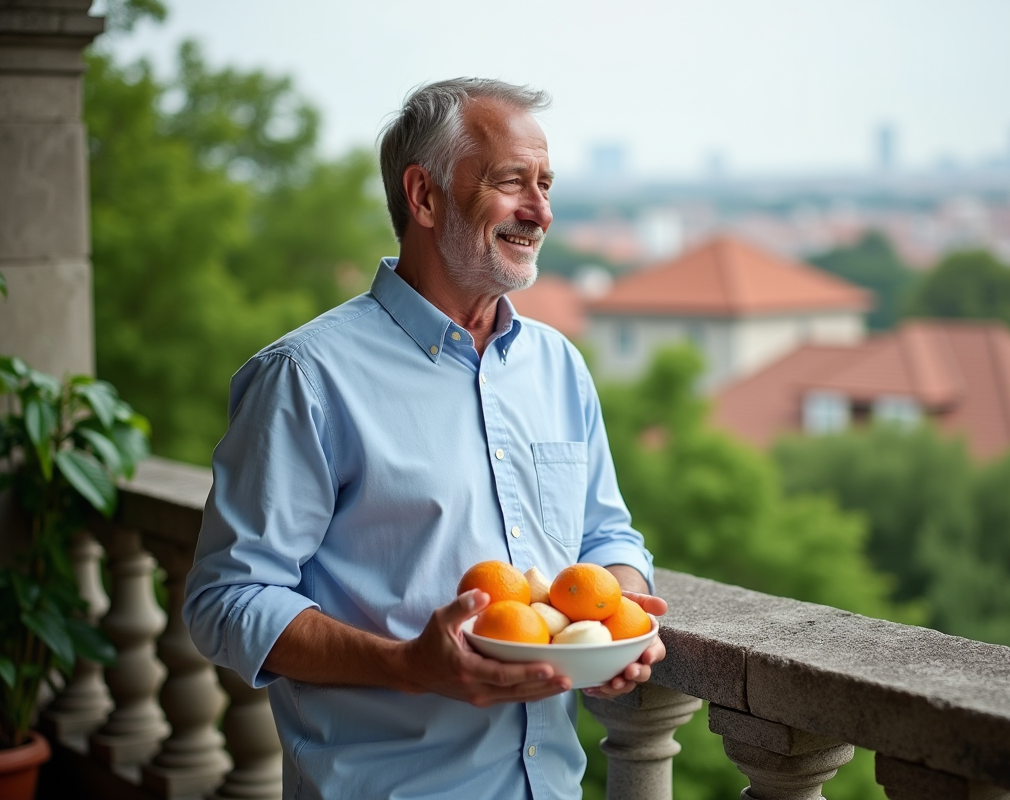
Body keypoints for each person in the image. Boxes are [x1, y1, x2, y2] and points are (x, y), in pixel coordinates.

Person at [183, 78, 665, 800]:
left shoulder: (558, 365)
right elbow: (229, 600)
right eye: (512, 182)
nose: (541, 211)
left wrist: (618, 621)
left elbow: (606, 536)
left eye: (546, 184)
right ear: (425, 195)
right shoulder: (306, 378)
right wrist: (408, 665)